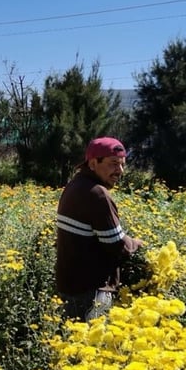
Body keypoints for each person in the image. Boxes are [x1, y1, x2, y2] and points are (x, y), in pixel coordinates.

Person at [55, 136, 144, 321]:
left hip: (70, 285)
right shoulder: (98, 194)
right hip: (92, 291)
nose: (119, 170)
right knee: (92, 346)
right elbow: (118, 245)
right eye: (113, 164)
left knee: (72, 344)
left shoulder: (74, 185)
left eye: (122, 164)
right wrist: (136, 243)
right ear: (94, 163)